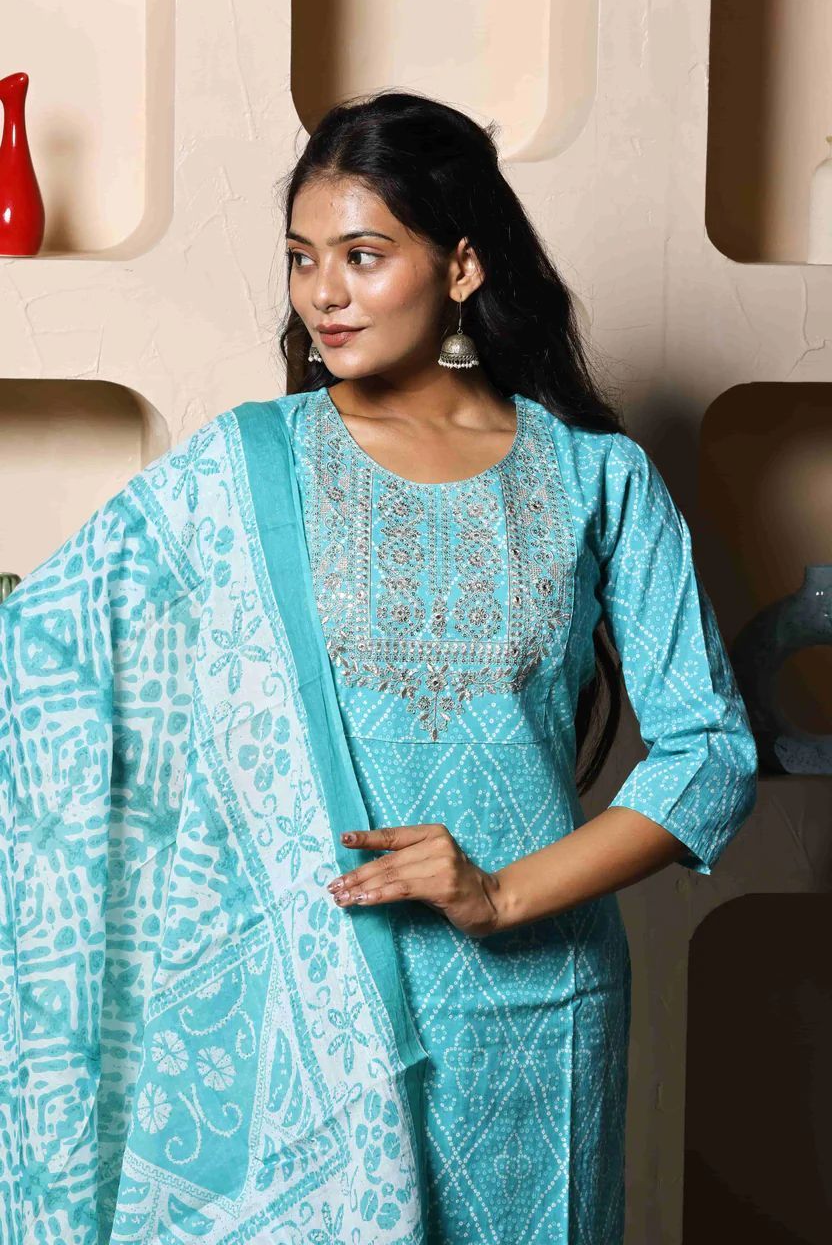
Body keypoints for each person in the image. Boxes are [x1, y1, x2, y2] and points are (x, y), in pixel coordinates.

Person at [0, 90, 758, 1245]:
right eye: (302, 258)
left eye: (362, 255)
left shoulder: (597, 478)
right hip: (307, 1016)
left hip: (535, 1016)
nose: (323, 293)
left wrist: (500, 893)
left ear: (461, 266)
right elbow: (47, 656)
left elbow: (709, 753)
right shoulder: (247, 467)